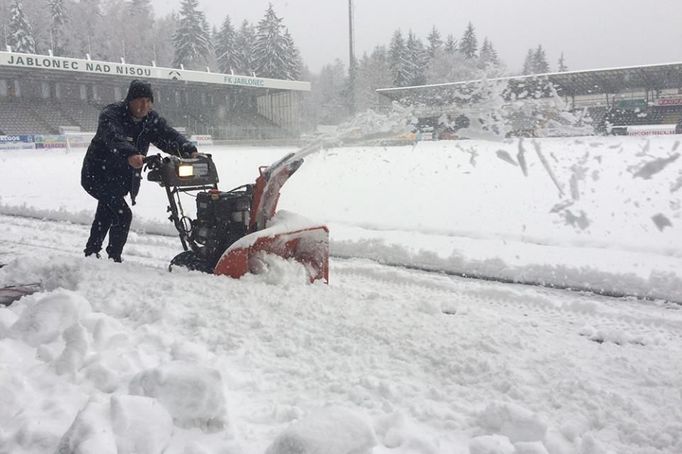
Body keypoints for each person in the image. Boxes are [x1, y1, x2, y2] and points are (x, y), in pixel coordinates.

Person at [81, 79, 198, 262]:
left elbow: (167, 135)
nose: (145, 105)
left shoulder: (150, 119)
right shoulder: (111, 115)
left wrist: (189, 150)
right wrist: (131, 153)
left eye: (149, 101)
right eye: (141, 100)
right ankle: (114, 257)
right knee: (122, 214)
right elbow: (114, 137)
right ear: (130, 100)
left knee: (107, 211)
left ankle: (91, 251)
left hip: (120, 178)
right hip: (98, 174)